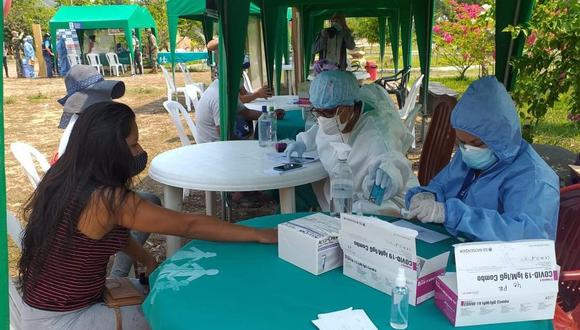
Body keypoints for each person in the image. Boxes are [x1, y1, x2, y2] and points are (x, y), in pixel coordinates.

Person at [12, 101, 277, 329]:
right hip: (64, 320)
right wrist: (259, 235)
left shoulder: (66, 175)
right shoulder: (108, 200)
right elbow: (190, 224)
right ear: (108, 151)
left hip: (46, 305)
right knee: (182, 313)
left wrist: (148, 260)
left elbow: (113, 235)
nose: (139, 152)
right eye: (133, 144)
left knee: (168, 291)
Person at [405, 76, 559, 241]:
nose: (467, 150)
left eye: (476, 143)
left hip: (499, 262)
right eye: (461, 143)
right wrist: (426, 196)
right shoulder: (469, 156)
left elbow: (527, 236)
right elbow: (441, 186)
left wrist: (452, 215)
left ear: (500, 138)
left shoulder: (534, 179)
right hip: (456, 247)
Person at [285, 71, 417, 215]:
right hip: (338, 194)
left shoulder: (376, 136)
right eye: (316, 112)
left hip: (376, 204)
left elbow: (393, 162)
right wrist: (305, 141)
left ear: (348, 108)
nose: (321, 118)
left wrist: (391, 173)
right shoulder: (336, 119)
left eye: (327, 113)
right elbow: (320, 129)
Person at [195, 76, 284, 144]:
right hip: (214, 147)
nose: (242, 78)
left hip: (222, 144)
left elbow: (246, 113)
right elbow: (225, 135)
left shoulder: (224, 88)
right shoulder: (220, 96)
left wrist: (271, 115)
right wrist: (248, 143)